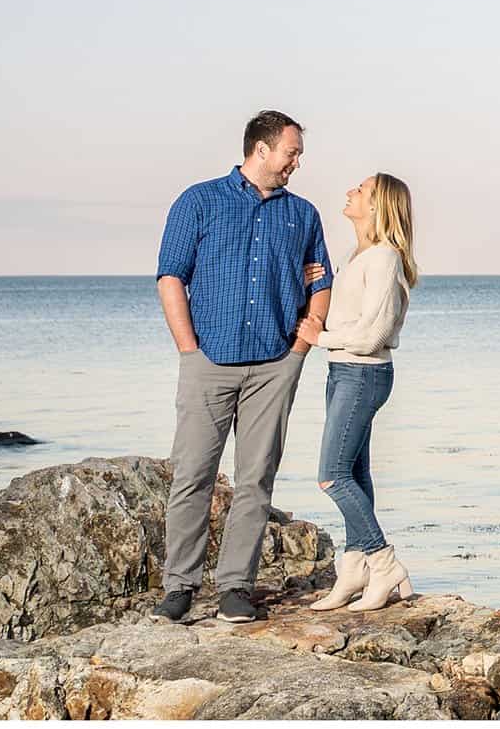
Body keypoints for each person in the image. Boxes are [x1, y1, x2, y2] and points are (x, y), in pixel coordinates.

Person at [152, 110, 334, 623]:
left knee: (256, 478)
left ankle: (235, 586)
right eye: (291, 152)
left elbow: (321, 281)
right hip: (207, 359)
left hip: (275, 365)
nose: (297, 163)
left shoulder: (303, 214)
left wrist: (301, 345)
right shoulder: (199, 201)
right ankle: (180, 588)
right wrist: (189, 349)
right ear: (261, 149)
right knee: (193, 475)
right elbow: (171, 276)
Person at [308, 173, 420, 611]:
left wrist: (319, 337)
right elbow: (347, 316)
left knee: (332, 475)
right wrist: (315, 282)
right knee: (355, 472)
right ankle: (354, 568)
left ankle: (384, 562)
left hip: (363, 374)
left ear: (377, 206)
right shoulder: (358, 256)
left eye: (362, 189)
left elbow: (374, 333)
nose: (351, 190)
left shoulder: (385, 258)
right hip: (343, 372)